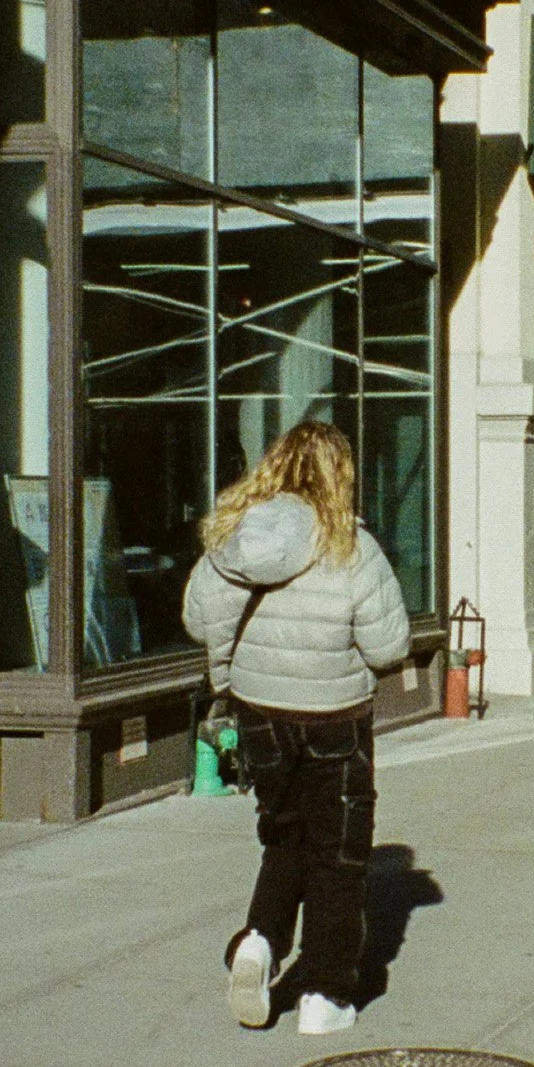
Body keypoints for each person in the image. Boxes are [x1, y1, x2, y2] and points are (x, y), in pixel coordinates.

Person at [182, 419, 411, 1035]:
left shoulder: (233, 537)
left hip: (258, 714)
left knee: (285, 837)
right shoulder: (352, 547)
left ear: (275, 465)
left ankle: (259, 941)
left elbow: (199, 621)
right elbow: (390, 648)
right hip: (334, 717)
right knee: (337, 856)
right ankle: (325, 995)